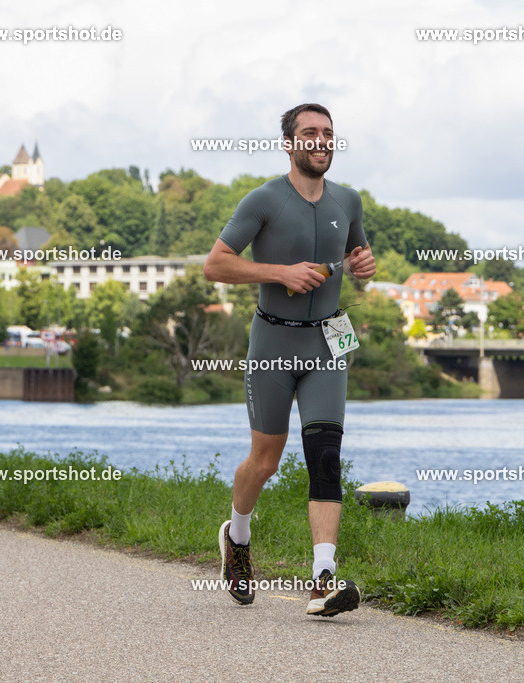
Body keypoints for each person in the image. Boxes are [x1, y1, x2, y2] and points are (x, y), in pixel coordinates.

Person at [203, 103, 376, 616]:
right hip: (273, 345)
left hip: (328, 343)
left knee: (325, 457)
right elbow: (216, 265)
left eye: (328, 133)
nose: (321, 141)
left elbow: (356, 259)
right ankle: (237, 537)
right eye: (310, 133)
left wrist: (364, 265)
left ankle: (323, 579)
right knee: (266, 461)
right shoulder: (264, 200)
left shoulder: (349, 200)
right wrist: (279, 273)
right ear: (289, 143)